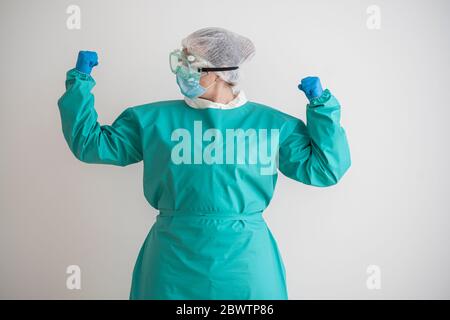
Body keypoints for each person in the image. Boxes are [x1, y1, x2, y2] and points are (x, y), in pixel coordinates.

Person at [57, 27, 351, 299]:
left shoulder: (272, 125)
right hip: (172, 262)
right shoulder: (151, 121)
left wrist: (322, 107)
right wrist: (80, 83)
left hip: (245, 265)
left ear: (222, 72)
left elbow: (325, 169)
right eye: (180, 61)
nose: (181, 71)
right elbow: (91, 145)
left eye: (190, 63)